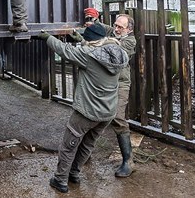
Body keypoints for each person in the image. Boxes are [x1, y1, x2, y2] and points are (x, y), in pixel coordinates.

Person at [37, 23, 129, 193]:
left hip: (88, 112)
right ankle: (74, 173)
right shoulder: (117, 52)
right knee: (88, 144)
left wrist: (48, 38)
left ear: (91, 41)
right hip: (108, 112)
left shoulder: (89, 56)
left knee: (68, 145)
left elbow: (65, 50)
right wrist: (81, 39)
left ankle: (60, 180)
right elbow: (94, 48)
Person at [80, 7, 137, 177]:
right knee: (93, 114)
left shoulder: (129, 42)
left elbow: (112, 50)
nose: (117, 29)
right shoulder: (114, 31)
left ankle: (128, 161)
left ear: (129, 30)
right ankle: (85, 153)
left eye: (121, 27)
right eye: (116, 26)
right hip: (104, 83)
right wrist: (93, 20)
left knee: (118, 118)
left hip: (120, 84)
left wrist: (93, 40)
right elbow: (103, 28)